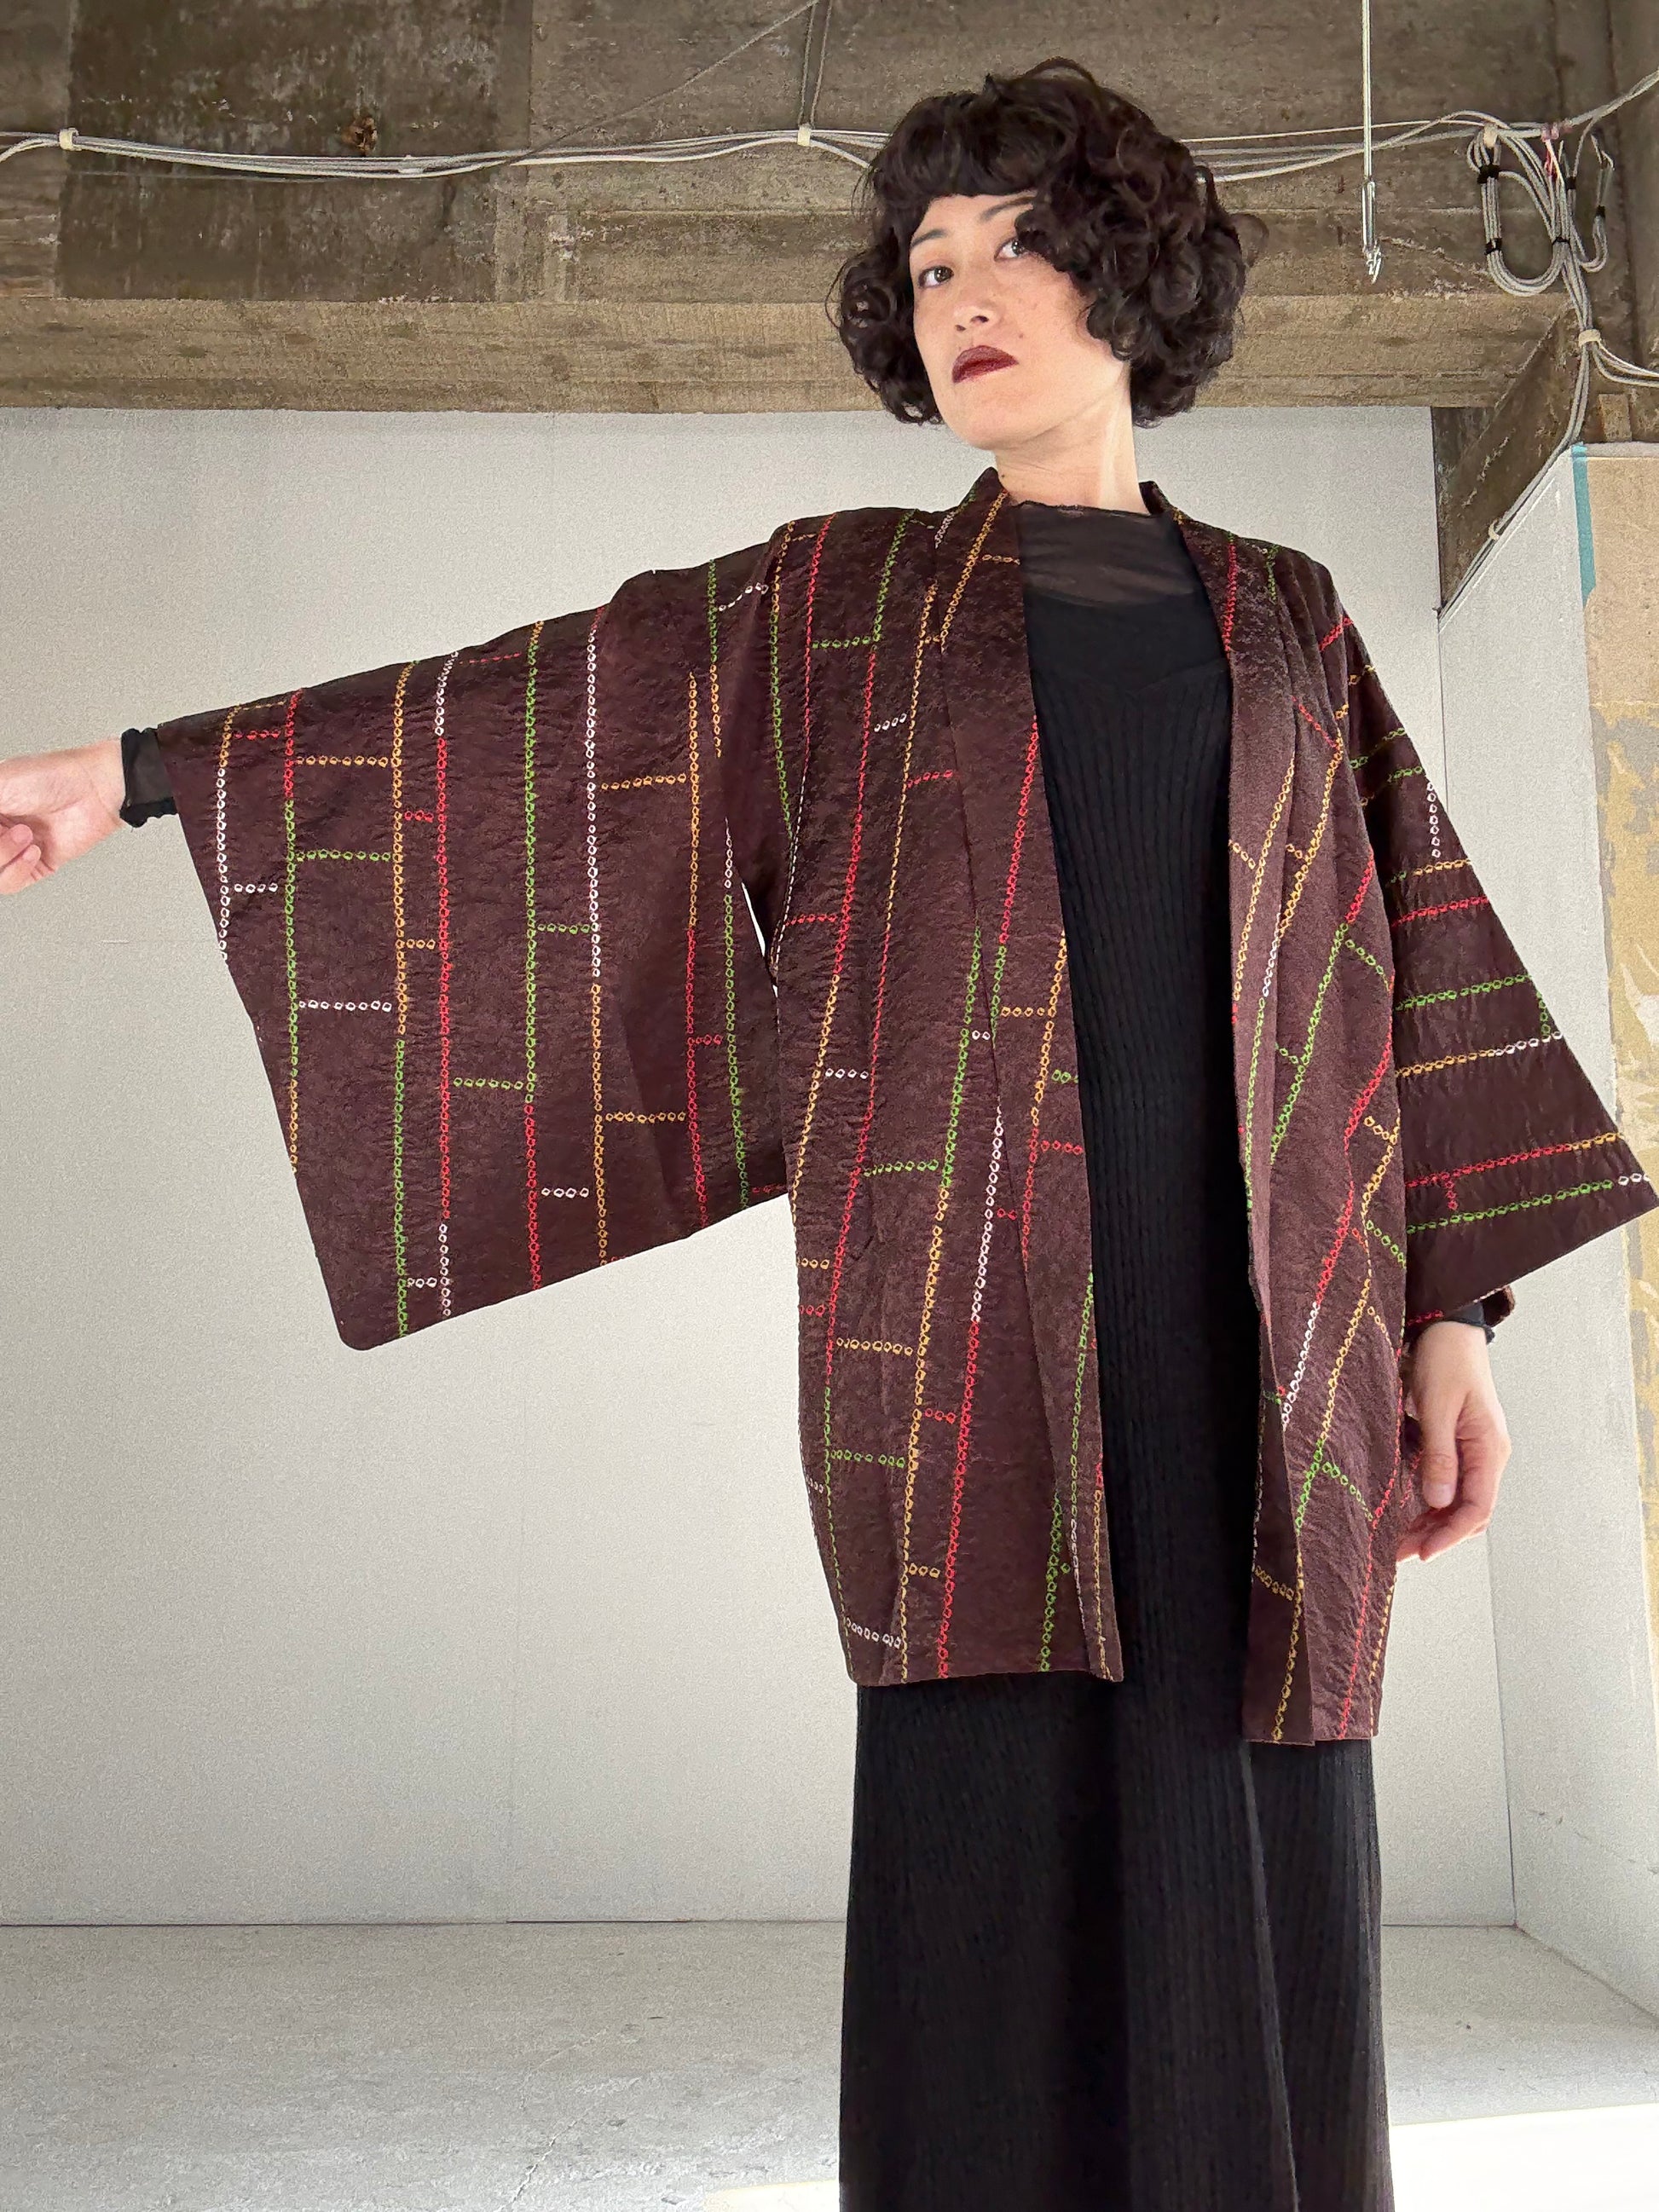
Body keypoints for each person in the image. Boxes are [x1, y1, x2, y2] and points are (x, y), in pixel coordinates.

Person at [3, 56, 1651, 2212]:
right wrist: (140, 771)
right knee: (988, 1851)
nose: (963, 295)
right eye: (928, 265)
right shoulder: (841, 603)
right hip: (963, 1333)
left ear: (1131, 276)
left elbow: (1405, 966)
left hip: (1271, 1344)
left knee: (1250, 1832)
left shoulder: (1288, 615)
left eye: (1015, 246)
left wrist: (1456, 1320)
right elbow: (536, 714)